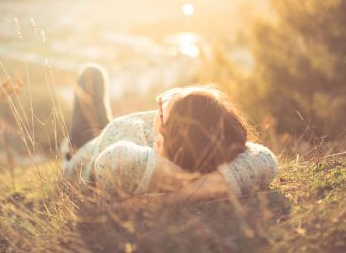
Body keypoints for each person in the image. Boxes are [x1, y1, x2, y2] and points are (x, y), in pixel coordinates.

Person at [61, 64, 278, 200]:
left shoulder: (134, 164)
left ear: (164, 139)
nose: (161, 104)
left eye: (166, 107)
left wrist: (172, 197)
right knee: (93, 73)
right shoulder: (206, 142)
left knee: (90, 75)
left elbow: (113, 158)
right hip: (107, 129)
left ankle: (67, 152)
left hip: (87, 146)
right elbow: (265, 158)